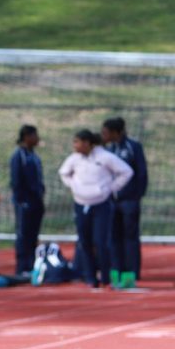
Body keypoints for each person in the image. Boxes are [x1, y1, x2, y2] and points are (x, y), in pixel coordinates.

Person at [58, 129, 133, 288]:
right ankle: (90, 277)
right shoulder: (74, 159)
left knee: (101, 242)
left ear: (87, 143)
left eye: (77, 142)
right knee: (84, 242)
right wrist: (73, 186)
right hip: (80, 203)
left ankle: (105, 276)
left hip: (101, 204)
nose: (74, 146)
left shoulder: (105, 157)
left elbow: (126, 172)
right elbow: (64, 173)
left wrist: (111, 188)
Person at [101, 117, 149, 288]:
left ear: (117, 132)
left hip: (129, 200)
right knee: (113, 237)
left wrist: (136, 195)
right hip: (111, 201)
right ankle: (116, 272)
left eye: (106, 132)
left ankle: (131, 274)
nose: (103, 135)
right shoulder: (107, 150)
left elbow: (141, 173)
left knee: (130, 237)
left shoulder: (133, 147)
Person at [9, 125, 45, 278]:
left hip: (36, 201)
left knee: (33, 234)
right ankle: (21, 266)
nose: (37, 139)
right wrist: (21, 200)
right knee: (23, 233)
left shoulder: (33, 155)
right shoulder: (18, 156)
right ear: (26, 136)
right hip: (25, 202)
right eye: (35, 135)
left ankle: (31, 264)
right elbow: (16, 180)